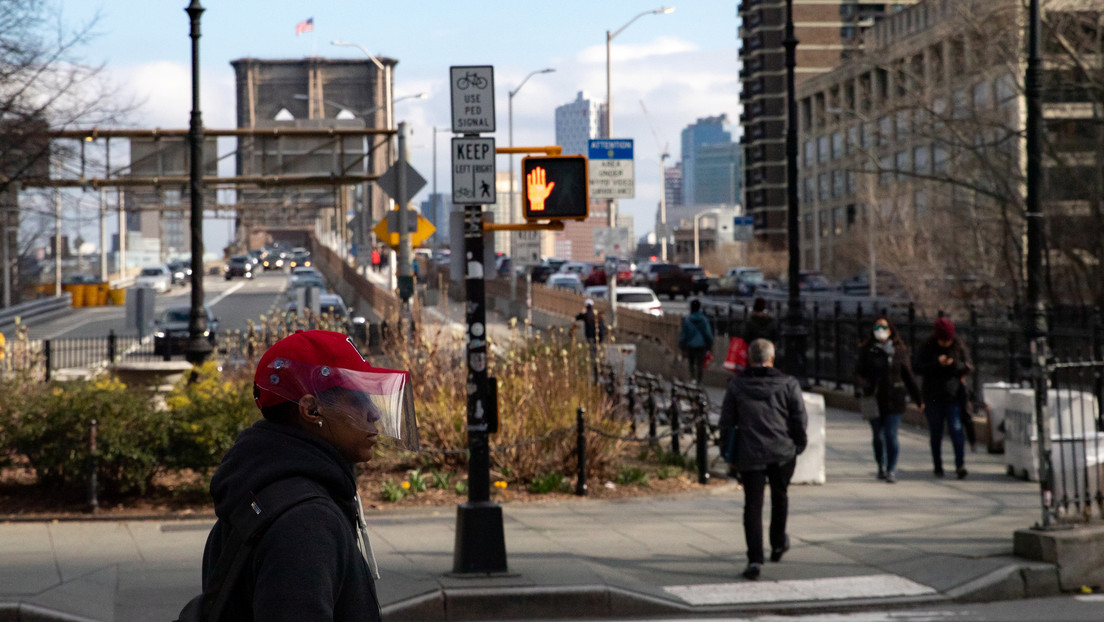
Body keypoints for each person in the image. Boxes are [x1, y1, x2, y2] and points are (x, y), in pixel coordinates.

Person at [200, 330, 413, 621]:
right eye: (359, 399)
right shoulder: (306, 521)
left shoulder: (262, 489)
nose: (374, 413)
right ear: (311, 410)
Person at [719, 339, 807, 581]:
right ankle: (778, 543)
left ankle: (755, 559)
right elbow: (799, 417)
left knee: (752, 505)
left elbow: (727, 421)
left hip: (750, 451)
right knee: (780, 497)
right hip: (781, 450)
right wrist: (798, 444)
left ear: (749, 359)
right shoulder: (788, 384)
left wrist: (727, 451)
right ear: (772, 358)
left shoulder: (737, 386)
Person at [854, 316, 922, 483]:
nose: (880, 331)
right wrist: (863, 385)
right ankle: (881, 466)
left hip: (895, 399)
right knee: (878, 436)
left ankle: (891, 469)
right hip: (874, 399)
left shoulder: (899, 351)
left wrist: (918, 399)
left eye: (884, 328)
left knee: (891, 435)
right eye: (877, 328)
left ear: (891, 331)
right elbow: (858, 373)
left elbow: (908, 376)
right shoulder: (867, 350)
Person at [915, 316, 976, 479]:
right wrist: (936, 363)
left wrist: (955, 365)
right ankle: (937, 465)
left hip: (953, 396)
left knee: (956, 430)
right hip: (933, 396)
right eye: (942, 341)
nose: (945, 344)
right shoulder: (927, 347)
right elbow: (917, 367)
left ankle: (960, 465)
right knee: (936, 432)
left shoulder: (958, 346)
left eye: (948, 340)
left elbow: (967, 366)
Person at [678, 299, 714, 384]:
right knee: (700, 364)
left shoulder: (687, 320)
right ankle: (699, 381)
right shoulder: (704, 320)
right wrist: (710, 345)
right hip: (701, 345)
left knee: (691, 363)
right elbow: (708, 334)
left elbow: (684, 335)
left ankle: (692, 378)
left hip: (690, 345)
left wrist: (682, 346)